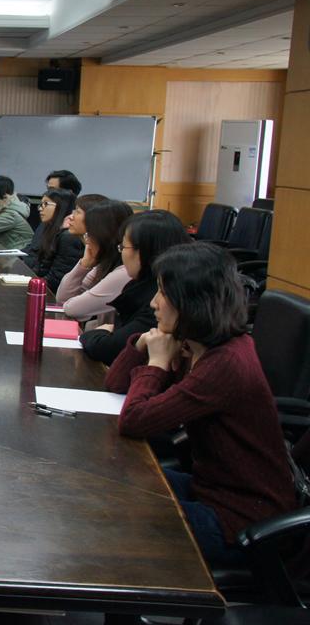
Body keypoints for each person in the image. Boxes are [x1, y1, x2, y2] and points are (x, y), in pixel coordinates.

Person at [106, 242, 294, 567]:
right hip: (210, 488)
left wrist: (156, 364)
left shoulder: (225, 363)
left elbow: (134, 420)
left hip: (240, 517)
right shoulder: (195, 344)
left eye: (163, 293)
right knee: (110, 482)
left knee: (119, 520)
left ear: (192, 303)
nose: (153, 302)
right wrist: (141, 345)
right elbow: (115, 385)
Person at [80, 209, 190, 364]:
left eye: (123, 247)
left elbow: (108, 349)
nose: (121, 253)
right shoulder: (138, 285)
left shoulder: (163, 299)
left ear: (144, 251)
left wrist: (100, 332)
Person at [56, 198, 131, 323]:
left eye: (90, 233)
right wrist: (84, 265)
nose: (87, 240)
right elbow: (62, 299)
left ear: (104, 235)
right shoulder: (104, 265)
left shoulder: (124, 272)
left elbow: (73, 309)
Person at [23, 187, 83, 292]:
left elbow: (57, 278)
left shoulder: (68, 237)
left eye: (46, 204)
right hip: (41, 285)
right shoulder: (47, 228)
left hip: (52, 293)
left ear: (61, 206)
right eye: (41, 204)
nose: (40, 208)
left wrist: (30, 284)